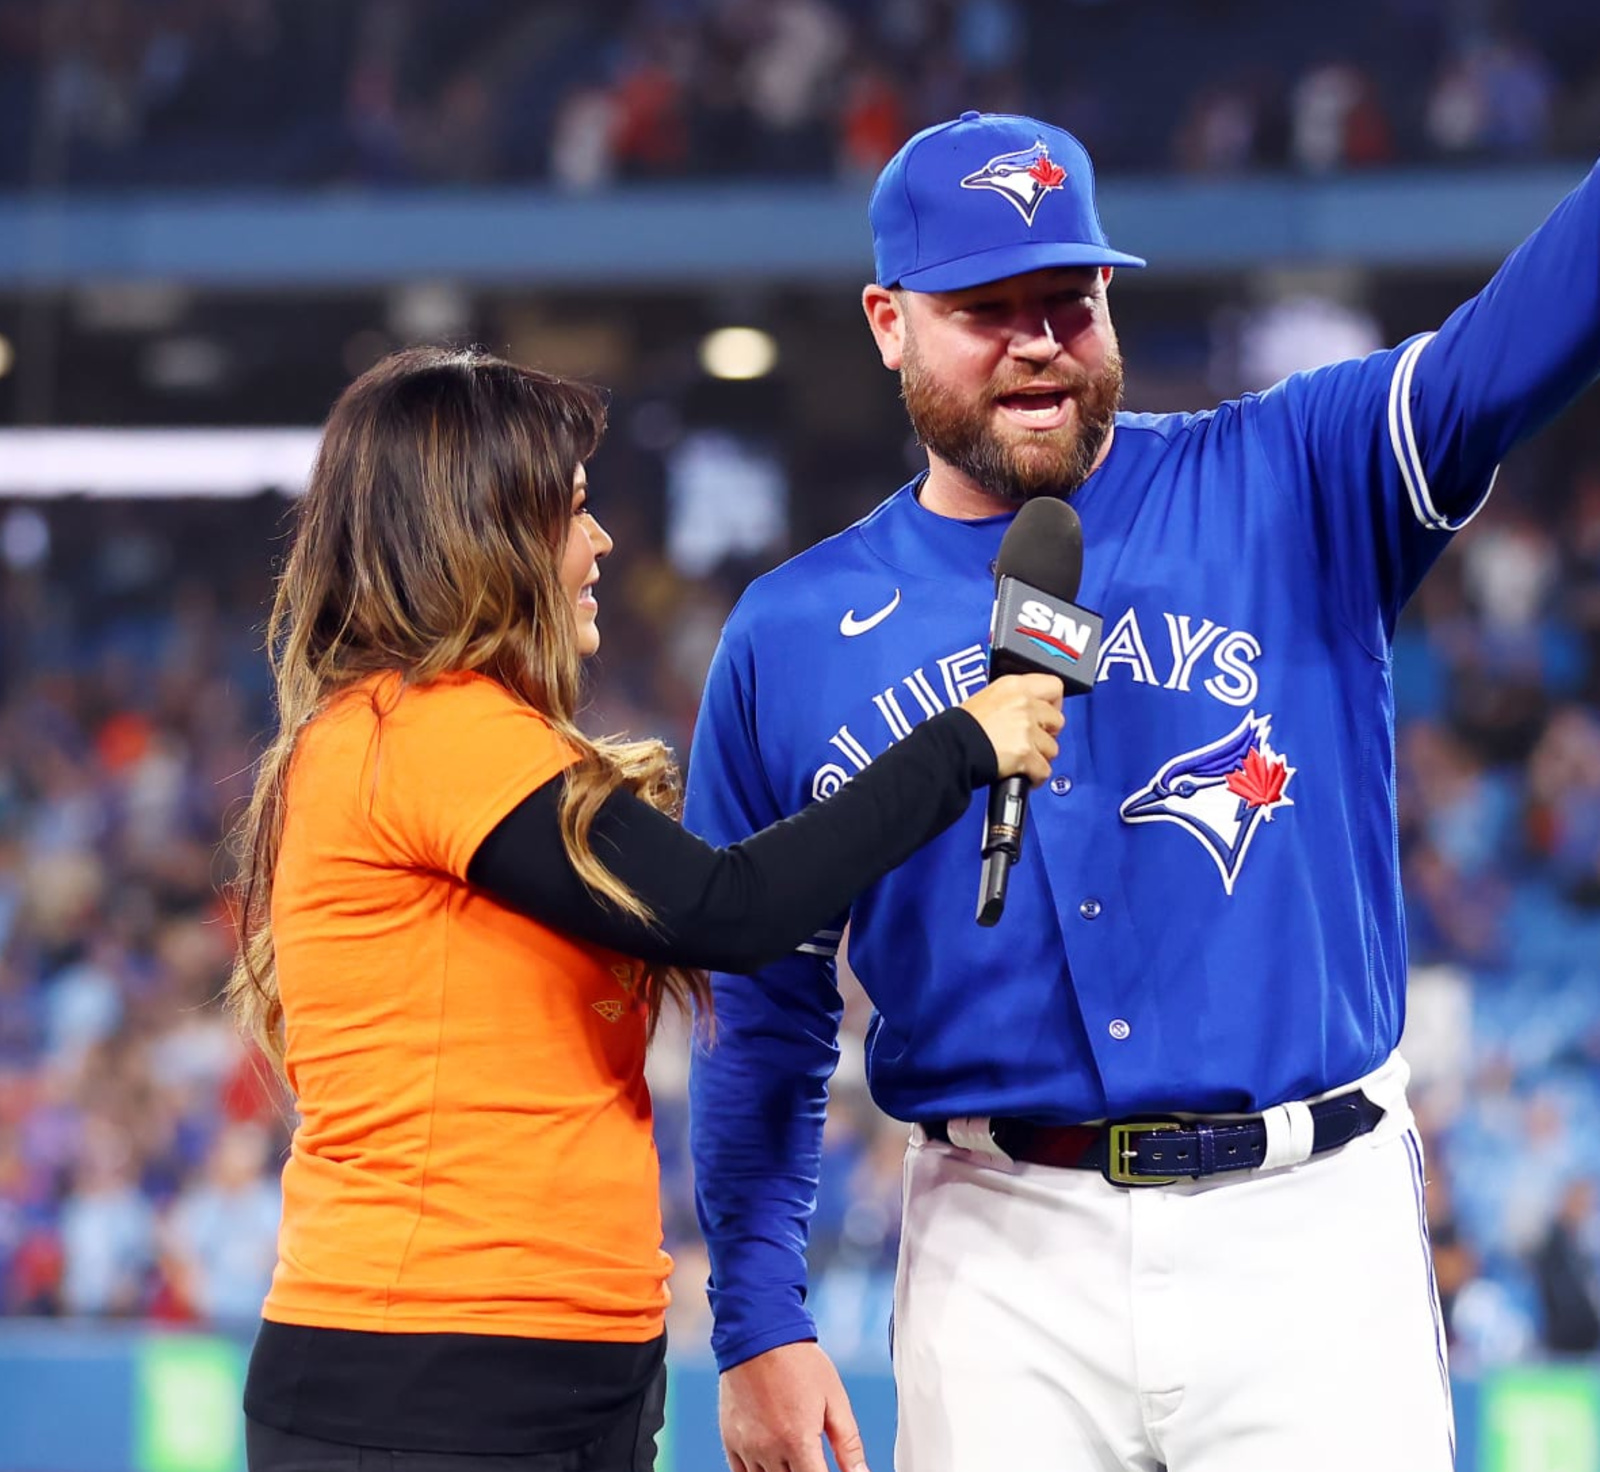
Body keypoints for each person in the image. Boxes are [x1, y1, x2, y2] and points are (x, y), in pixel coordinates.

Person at [684, 109, 1600, 1472]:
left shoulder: (1293, 477)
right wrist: (757, 1314)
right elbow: (762, 1017)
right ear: (887, 322)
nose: (1038, 338)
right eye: (986, 308)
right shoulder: (793, 632)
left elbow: (1514, 345)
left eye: (1068, 295)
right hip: (999, 1250)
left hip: (1308, 1238)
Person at [224, 345, 1066, 1472]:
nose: (600, 541)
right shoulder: (423, 732)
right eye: (572, 509)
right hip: (429, 1372)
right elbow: (728, 909)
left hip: (544, 1366)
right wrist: (966, 741)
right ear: (485, 530)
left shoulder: (444, 738)